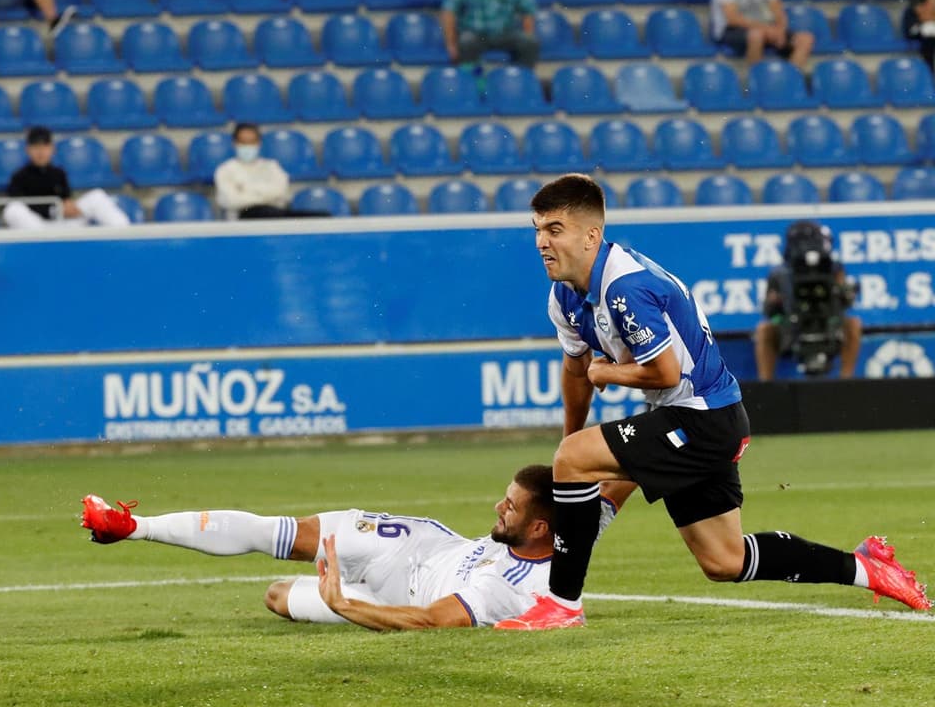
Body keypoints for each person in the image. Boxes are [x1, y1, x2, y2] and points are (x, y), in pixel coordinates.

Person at [497, 174, 929, 632]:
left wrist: (602, 380)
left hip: (702, 419)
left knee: (579, 458)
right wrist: (567, 448)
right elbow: (575, 370)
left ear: (591, 235)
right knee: (725, 560)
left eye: (555, 230)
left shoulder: (625, 287)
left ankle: (562, 604)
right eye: (538, 229)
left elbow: (663, 373)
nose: (542, 242)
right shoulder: (565, 294)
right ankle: (866, 567)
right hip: (694, 417)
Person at [80, 465, 630, 631]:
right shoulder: (575, 529)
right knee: (284, 533)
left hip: (397, 597)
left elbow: (431, 620)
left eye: (509, 507)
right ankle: (131, 526)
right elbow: (622, 480)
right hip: (416, 541)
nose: (497, 507)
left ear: (539, 529)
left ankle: (339, 600)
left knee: (277, 596)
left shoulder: (510, 590)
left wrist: (345, 605)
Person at [755, 220, 862, 381]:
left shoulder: (833, 268)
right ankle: (765, 383)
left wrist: (843, 290)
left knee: (853, 324)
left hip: (829, 324)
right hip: (791, 327)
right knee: (764, 329)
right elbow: (768, 311)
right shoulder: (779, 274)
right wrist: (774, 303)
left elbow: (846, 302)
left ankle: (846, 380)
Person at [2, 126, 130, 229]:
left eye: (45, 146)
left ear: (52, 149)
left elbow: (66, 199)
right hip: (37, 227)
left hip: (64, 225)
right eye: (36, 147)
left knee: (97, 196)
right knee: (12, 210)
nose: (40, 151)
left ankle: (126, 236)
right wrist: (54, 210)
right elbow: (21, 205)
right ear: (28, 150)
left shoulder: (59, 173)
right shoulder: (19, 176)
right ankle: (42, 244)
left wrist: (69, 207)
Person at [213, 123, 313, 220]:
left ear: (259, 143)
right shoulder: (225, 170)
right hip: (242, 220)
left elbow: (282, 192)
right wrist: (266, 196)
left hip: (275, 216)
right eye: (243, 142)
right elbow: (230, 200)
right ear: (234, 143)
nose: (248, 146)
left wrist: (246, 188)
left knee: (312, 217)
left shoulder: (272, 167)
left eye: (252, 142)